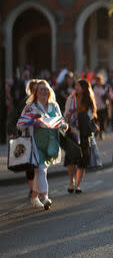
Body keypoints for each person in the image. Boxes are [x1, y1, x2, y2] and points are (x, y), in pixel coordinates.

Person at [18, 80, 68, 210]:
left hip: (51, 144)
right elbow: (20, 124)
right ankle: (45, 198)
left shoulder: (54, 105)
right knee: (41, 169)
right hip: (35, 144)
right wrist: (32, 122)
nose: (44, 91)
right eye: (41, 89)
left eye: (46, 89)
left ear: (49, 91)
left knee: (40, 171)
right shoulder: (30, 107)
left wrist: (64, 126)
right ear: (36, 92)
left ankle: (34, 198)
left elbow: (61, 121)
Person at [64, 79, 97, 193]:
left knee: (83, 158)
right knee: (71, 157)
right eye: (76, 86)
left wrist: (82, 116)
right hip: (72, 131)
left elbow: (92, 114)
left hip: (84, 132)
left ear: (84, 88)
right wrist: (69, 116)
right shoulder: (71, 98)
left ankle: (77, 184)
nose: (76, 88)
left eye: (79, 86)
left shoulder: (89, 99)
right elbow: (65, 113)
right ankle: (70, 182)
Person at [8, 79, 39, 197]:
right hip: (26, 136)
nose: (36, 91)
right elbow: (15, 116)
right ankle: (32, 189)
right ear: (30, 89)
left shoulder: (42, 102)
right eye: (34, 89)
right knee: (29, 164)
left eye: (38, 88)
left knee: (39, 165)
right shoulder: (24, 102)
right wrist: (11, 131)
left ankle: (39, 187)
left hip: (39, 137)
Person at [92, 74, 111, 140]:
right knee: (95, 121)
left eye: (99, 81)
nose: (97, 82)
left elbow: (109, 96)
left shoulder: (105, 87)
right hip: (95, 107)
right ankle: (96, 132)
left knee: (102, 121)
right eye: (96, 81)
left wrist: (106, 96)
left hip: (103, 107)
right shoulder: (93, 87)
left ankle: (101, 132)